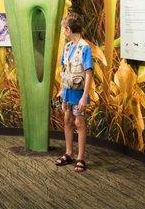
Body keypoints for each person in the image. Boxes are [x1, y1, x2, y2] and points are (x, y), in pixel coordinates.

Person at [55, 12, 93, 172]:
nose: (64, 32)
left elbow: (88, 72)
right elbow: (66, 70)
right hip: (68, 92)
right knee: (67, 120)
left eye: (64, 29)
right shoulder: (67, 47)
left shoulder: (85, 48)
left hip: (79, 93)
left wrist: (84, 96)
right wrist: (62, 92)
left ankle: (81, 158)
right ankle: (69, 153)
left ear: (69, 30)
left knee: (79, 123)